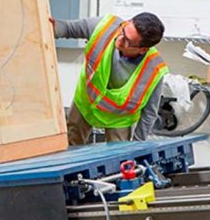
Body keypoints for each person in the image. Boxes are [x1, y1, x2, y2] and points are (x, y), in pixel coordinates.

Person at [53, 12, 168, 144]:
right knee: (71, 146)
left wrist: (137, 146)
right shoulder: (105, 27)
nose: (119, 39)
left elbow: (149, 114)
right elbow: (68, 28)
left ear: (143, 50)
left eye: (128, 42)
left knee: (118, 158)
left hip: (118, 118)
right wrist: (52, 27)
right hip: (86, 102)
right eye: (123, 30)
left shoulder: (153, 69)